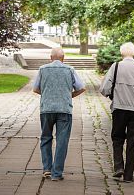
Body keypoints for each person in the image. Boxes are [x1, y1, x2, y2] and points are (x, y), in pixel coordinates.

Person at [100, 42, 134, 183]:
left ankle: (118, 167)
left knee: (117, 138)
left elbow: (105, 89)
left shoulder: (116, 66)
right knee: (132, 141)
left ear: (121, 53)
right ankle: (128, 175)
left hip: (119, 108)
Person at [33, 47, 86, 181]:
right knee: (62, 141)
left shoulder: (42, 69)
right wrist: (70, 96)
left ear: (50, 58)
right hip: (64, 109)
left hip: (46, 109)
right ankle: (57, 173)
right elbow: (82, 87)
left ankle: (46, 169)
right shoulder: (69, 70)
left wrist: (46, 95)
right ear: (63, 58)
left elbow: (35, 88)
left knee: (46, 138)